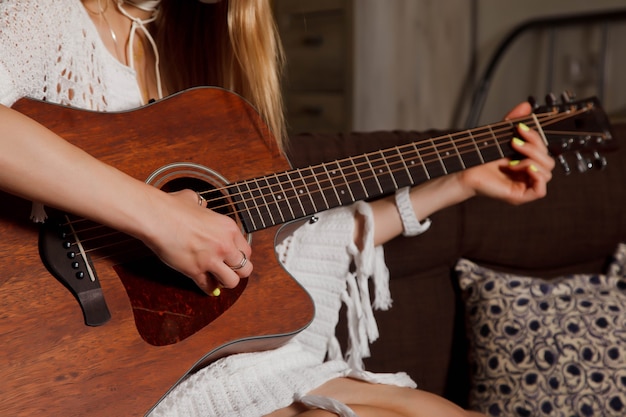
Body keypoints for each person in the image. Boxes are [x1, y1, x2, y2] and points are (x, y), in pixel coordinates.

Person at [0, 1, 554, 416]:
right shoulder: (45, 15)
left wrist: (458, 183)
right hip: (95, 374)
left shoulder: (172, 53)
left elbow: (283, 241)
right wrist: (159, 217)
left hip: (205, 364)